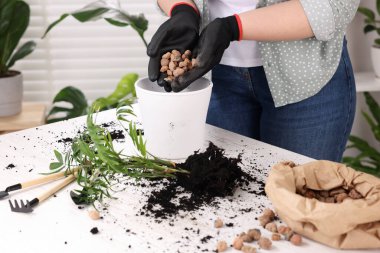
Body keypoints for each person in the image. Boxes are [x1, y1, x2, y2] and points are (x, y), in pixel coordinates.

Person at [147, 0, 359, 162]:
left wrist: (233, 27)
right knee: (228, 206)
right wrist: (183, 9)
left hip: (307, 82)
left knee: (299, 207)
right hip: (216, 77)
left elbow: (334, 5)